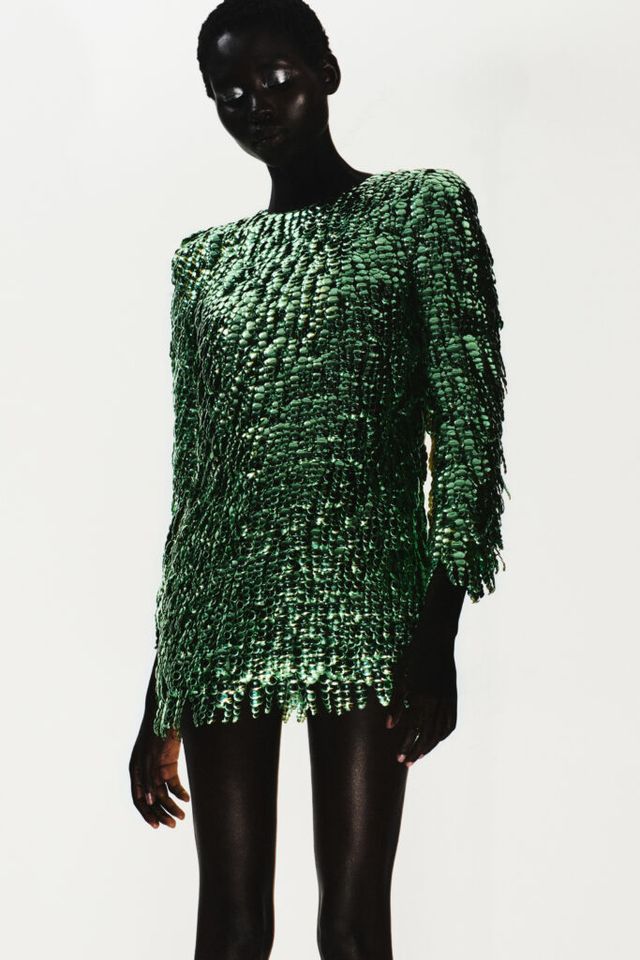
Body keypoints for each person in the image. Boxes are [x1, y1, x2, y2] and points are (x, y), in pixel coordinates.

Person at [129, 1, 508, 957]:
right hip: (220, 614)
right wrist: (161, 691)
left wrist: (439, 626)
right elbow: (199, 482)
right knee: (229, 927)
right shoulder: (203, 264)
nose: (254, 102)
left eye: (276, 78)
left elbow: (470, 426)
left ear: (326, 72)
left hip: (368, 598)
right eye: (229, 91)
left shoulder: (421, 210)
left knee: (351, 923)